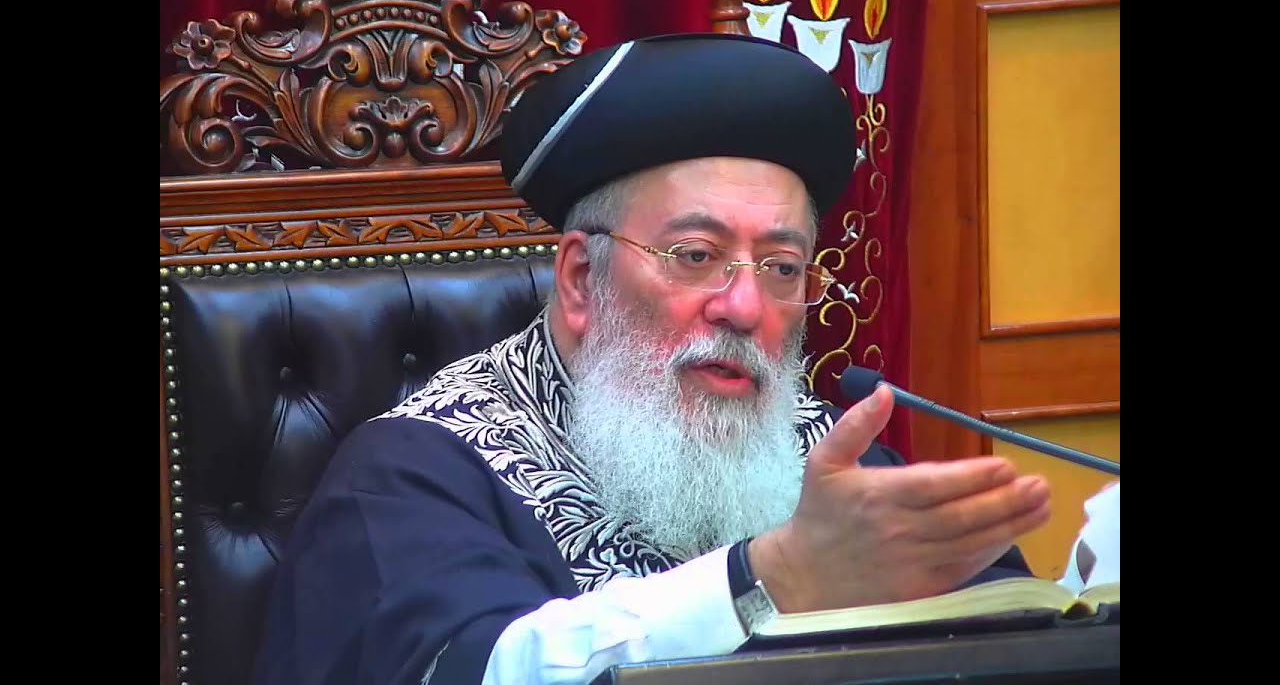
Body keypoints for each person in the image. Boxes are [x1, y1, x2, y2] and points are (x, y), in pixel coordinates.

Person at [252, 33, 1052, 685]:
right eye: (696, 255)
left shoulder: (833, 463)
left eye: (782, 267)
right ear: (580, 279)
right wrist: (768, 577)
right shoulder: (412, 473)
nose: (745, 307)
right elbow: (480, 669)